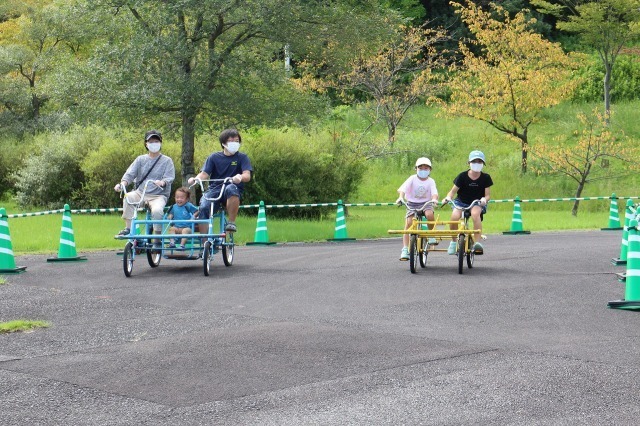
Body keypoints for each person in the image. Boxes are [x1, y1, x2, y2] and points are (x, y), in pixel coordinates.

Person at [114, 129, 175, 246]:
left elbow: (169, 177)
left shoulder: (167, 161)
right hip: (141, 192)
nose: (154, 144)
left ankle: (157, 237)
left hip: (158, 195)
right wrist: (122, 184)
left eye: (156, 141)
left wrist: (162, 182)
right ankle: (128, 229)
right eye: (150, 141)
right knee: (128, 198)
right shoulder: (140, 159)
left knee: (157, 211)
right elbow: (129, 174)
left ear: (161, 143)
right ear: (146, 144)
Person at [188, 128, 252, 235]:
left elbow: (247, 175)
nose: (235, 144)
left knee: (231, 188)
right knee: (203, 207)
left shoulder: (242, 157)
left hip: (232, 189)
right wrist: (196, 179)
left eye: (237, 141)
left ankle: (231, 222)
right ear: (224, 143)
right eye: (231, 141)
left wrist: (240, 177)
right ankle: (205, 243)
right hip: (215, 189)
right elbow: (204, 174)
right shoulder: (214, 157)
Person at [442, 150, 493, 255]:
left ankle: (477, 243)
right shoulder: (462, 176)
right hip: (461, 202)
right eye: (474, 161)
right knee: (454, 216)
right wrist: (448, 198)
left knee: (475, 214)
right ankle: (453, 242)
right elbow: (452, 192)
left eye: (479, 162)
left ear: (483, 164)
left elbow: (487, 195)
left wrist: (484, 199)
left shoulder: (486, 178)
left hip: (477, 202)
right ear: (469, 163)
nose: (477, 164)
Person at [396, 157, 439, 261]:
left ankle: (431, 235)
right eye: (420, 168)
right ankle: (405, 248)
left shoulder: (431, 181)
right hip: (412, 203)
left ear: (430, 170)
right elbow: (403, 189)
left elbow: (434, 193)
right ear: (416, 169)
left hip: (426, 203)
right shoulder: (412, 178)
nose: (423, 170)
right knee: (408, 223)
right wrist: (400, 197)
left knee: (429, 215)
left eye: (426, 168)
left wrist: (434, 200)